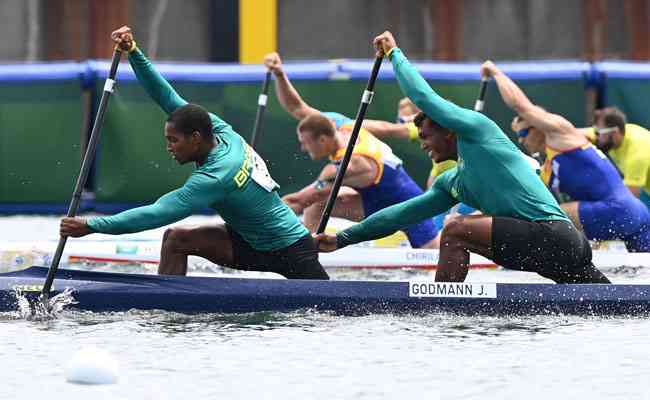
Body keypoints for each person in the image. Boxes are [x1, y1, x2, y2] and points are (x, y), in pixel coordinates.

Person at [315, 31, 610, 284]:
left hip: (557, 237)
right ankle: (451, 302)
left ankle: (440, 306)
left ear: (449, 132)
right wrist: (343, 239)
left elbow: (425, 99)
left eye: (427, 137)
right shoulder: (451, 182)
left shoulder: (477, 131)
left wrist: (394, 54)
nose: (423, 145)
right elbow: (402, 214)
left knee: (456, 227)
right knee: (614, 305)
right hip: (548, 253)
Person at [59, 26, 329, 280]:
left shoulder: (215, 176)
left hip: (290, 248)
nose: (169, 147)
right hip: (247, 241)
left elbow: (156, 213)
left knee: (328, 311)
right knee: (176, 239)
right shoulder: (220, 130)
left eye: (174, 140)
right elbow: (167, 96)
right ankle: (167, 312)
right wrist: (134, 52)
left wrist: (92, 226)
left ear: (196, 138)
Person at [263, 52, 439, 249]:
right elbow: (298, 109)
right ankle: (308, 255)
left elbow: (298, 200)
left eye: (306, 143)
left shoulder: (349, 165)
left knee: (435, 262)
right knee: (316, 205)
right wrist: (279, 74)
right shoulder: (343, 126)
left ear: (322, 139)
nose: (303, 148)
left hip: (408, 208)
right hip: (373, 202)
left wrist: (253, 219)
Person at [482, 61, 650, 252]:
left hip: (619, 210)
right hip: (637, 215)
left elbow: (520, 105)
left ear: (538, 127)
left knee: (546, 219)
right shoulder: (551, 161)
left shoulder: (559, 134)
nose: (521, 141)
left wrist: (495, 72)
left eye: (522, 135)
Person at [587, 107, 650, 209]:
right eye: (595, 132)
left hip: (638, 189)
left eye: (599, 133)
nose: (596, 137)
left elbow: (630, 201)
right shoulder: (618, 133)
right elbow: (581, 133)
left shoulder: (637, 154)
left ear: (615, 133)